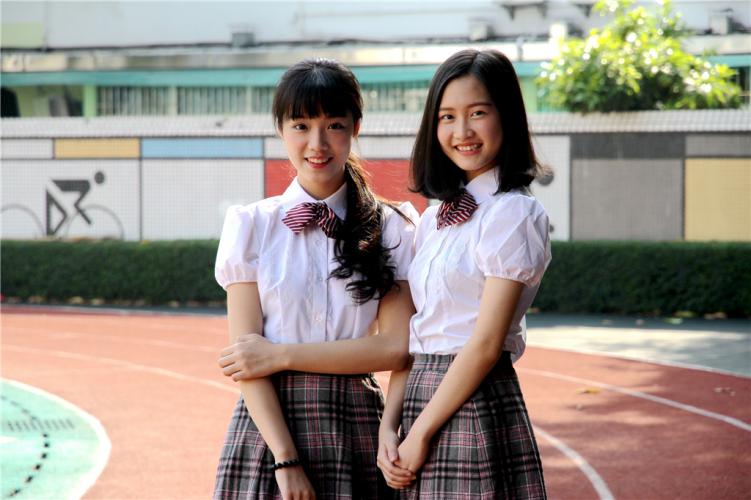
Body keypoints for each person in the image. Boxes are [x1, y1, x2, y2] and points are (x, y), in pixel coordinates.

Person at [213, 58, 417, 500]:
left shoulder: (392, 226)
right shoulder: (251, 225)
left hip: (355, 423)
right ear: (281, 130)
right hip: (270, 432)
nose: (317, 143)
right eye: (301, 126)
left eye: (334, 125)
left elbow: (395, 348)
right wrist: (286, 460)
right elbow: (248, 362)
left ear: (356, 128)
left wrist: (279, 354)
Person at [376, 49, 551, 499]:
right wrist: (389, 426)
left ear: (506, 116)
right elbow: (418, 333)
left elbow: (486, 344)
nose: (462, 132)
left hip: (473, 398)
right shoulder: (433, 219)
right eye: (447, 117)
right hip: (419, 396)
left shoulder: (512, 212)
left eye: (478, 113)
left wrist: (420, 433)